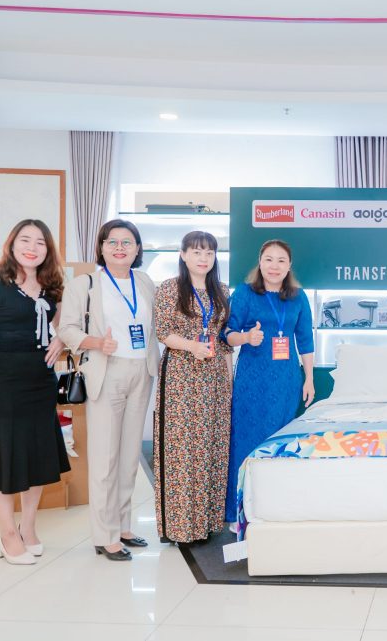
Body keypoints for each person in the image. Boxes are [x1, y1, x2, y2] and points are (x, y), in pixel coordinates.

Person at [0, 219, 70, 565]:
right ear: (12, 244)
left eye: (40, 242)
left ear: (47, 250)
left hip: (41, 380)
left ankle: (28, 527)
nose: (32, 247)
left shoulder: (53, 286)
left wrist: (61, 339)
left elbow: (64, 327)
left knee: (37, 453)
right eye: (25, 240)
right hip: (4, 380)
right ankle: (7, 533)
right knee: (4, 454)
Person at [58, 219, 159, 561]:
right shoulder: (85, 284)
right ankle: (105, 535)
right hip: (106, 371)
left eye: (127, 242)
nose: (119, 247)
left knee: (129, 456)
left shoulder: (145, 282)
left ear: (137, 249)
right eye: (112, 241)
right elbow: (67, 329)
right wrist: (97, 342)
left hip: (141, 371)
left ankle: (123, 526)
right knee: (105, 458)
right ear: (101, 247)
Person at [223, 239, 315, 523]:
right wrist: (246, 337)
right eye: (269, 259)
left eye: (281, 260)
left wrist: (309, 379)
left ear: (289, 266)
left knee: (281, 442)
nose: (274, 266)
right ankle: (240, 511)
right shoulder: (244, 293)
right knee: (247, 439)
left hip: (287, 379)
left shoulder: (298, 297)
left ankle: (276, 507)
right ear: (260, 262)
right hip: (252, 379)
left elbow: (306, 340)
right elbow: (227, 333)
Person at [153, 231, 233, 544]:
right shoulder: (170, 288)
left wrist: (229, 381)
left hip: (214, 377)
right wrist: (191, 346)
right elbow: (163, 331)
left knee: (211, 446)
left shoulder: (222, 290)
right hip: (181, 376)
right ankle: (182, 527)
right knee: (182, 449)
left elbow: (224, 339)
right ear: (183, 254)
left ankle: (207, 523)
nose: (203, 258)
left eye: (209, 253)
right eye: (197, 252)